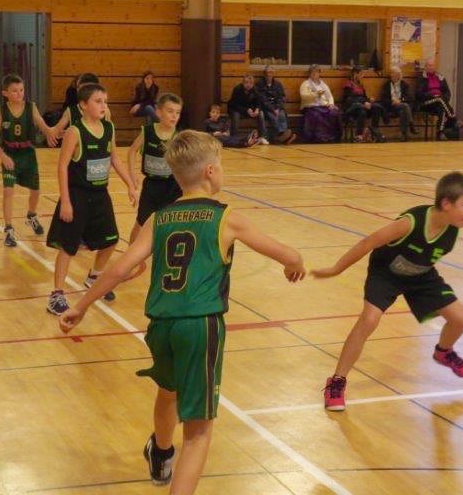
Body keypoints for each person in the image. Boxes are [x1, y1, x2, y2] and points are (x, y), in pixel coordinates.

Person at [58, 130, 305, 494]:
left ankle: (160, 452)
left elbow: (120, 268)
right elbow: (288, 254)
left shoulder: (159, 218)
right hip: (200, 325)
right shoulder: (226, 217)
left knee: (168, 389)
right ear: (210, 171)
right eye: (220, 165)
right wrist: (295, 263)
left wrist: (81, 305)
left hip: (160, 326)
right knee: (198, 434)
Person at [314, 172, 463, 411]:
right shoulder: (410, 223)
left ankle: (443, 352)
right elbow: (368, 242)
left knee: (460, 318)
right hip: (386, 274)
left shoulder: (452, 229)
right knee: (369, 320)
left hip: (421, 276)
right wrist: (336, 269)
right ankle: (337, 382)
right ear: (446, 203)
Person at [45, 83, 137, 314]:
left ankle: (94, 276)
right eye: (98, 101)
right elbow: (62, 166)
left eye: (105, 101)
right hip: (77, 195)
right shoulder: (75, 132)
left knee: (111, 239)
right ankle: (56, 294)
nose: (104, 106)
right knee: (68, 246)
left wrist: (130, 184)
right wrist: (66, 201)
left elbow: (114, 158)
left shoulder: (109, 128)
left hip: (100, 195)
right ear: (83, 105)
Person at [0, 73, 60, 247]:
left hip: (28, 154)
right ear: (5, 93)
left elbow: (44, 126)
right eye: (14, 91)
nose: (19, 93)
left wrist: (53, 132)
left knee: (35, 191)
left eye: (21, 90)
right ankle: (9, 229)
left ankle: (31, 215)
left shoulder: (30, 107)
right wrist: (3, 156)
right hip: (10, 154)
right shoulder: (1, 110)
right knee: (8, 191)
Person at [127, 93, 184, 254]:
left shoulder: (179, 137)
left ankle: (170, 255)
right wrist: (132, 174)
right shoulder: (148, 132)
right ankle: (131, 255)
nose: (174, 116)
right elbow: (132, 151)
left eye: (178, 112)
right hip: (151, 186)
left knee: (172, 224)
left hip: (173, 187)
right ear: (158, 112)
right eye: (170, 111)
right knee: (141, 223)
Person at [299, 64, 342, 143]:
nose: (314, 73)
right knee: (317, 115)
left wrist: (331, 104)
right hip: (311, 107)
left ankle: (332, 137)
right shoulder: (305, 84)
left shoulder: (323, 84)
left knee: (334, 113)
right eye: (312, 72)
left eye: (316, 72)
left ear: (319, 73)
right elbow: (303, 96)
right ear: (309, 73)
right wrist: (316, 94)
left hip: (323, 106)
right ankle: (319, 138)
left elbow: (329, 96)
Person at [416, 61, 459, 140]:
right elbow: (419, 94)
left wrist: (444, 99)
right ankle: (453, 119)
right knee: (439, 99)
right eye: (429, 66)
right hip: (425, 102)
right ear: (425, 67)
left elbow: (447, 92)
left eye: (432, 66)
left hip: (439, 102)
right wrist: (432, 95)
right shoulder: (421, 78)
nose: (431, 67)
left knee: (442, 108)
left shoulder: (440, 77)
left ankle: (440, 132)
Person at [341, 66, 386, 143]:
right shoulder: (348, 84)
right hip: (352, 108)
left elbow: (364, 97)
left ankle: (374, 131)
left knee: (376, 109)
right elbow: (349, 99)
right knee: (362, 112)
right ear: (355, 74)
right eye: (361, 74)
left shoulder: (360, 85)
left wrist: (369, 100)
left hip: (362, 106)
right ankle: (359, 135)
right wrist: (363, 102)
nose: (363, 76)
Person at [255, 66, 297, 144]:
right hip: (266, 108)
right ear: (264, 74)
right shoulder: (259, 84)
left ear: (273, 74)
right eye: (267, 73)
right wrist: (273, 109)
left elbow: (281, 97)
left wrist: (277, 107)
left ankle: (283, 135)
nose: (269, 74)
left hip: (277, 107)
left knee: (282, 114)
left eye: (271, 72)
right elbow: (262, 99)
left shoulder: (278, 84)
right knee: (273, 116)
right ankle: (281, 136)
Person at [379, 66, 418, 140]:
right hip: (391, 107)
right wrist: (392, 102)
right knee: (405, 107)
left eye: (393, 73)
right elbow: (383, 99)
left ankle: (403, 134)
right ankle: (411, 124)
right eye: (392, 73)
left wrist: (400, 100)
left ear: (399, 75)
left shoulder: (404, 85)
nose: (391, 75)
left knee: (403, 110)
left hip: (401, 106)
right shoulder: (387, 85)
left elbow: (410, 97)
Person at [228, 74, 269, 144]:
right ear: (243, 83)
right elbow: (235, 105)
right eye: (246, 82)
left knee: (261, 113)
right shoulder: (237, 89)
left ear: (253, 84)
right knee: (235, 114)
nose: (248, 85)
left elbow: (259, 102)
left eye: (251, 83)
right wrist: (246, 110)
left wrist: (257, 109)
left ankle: (262, 137)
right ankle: (234, 137)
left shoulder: (255, 90)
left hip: (249, 111)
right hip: (237, 109)